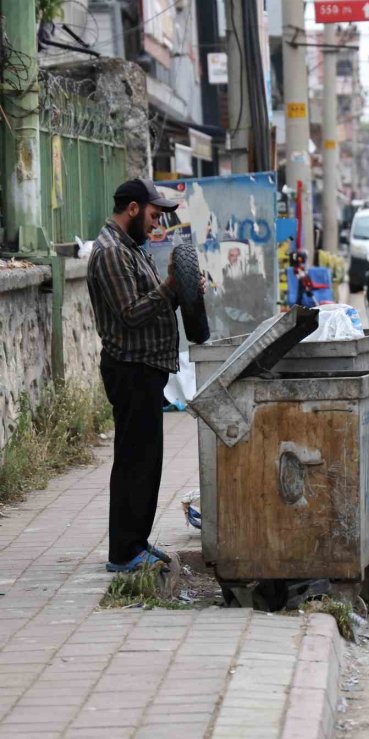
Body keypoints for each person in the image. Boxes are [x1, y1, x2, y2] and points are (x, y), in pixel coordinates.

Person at [87, 178, 206, 573]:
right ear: (134, 209)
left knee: (146, 462)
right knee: (134, 463)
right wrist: (172, 285)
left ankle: (135, 543)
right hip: (130, 369)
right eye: (154, 215)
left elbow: (154, 303)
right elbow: (132, 313)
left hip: (146, 370)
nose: (157, 225)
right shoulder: (109, 253)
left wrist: (184, 290)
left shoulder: (130, 249)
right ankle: (123, 553)